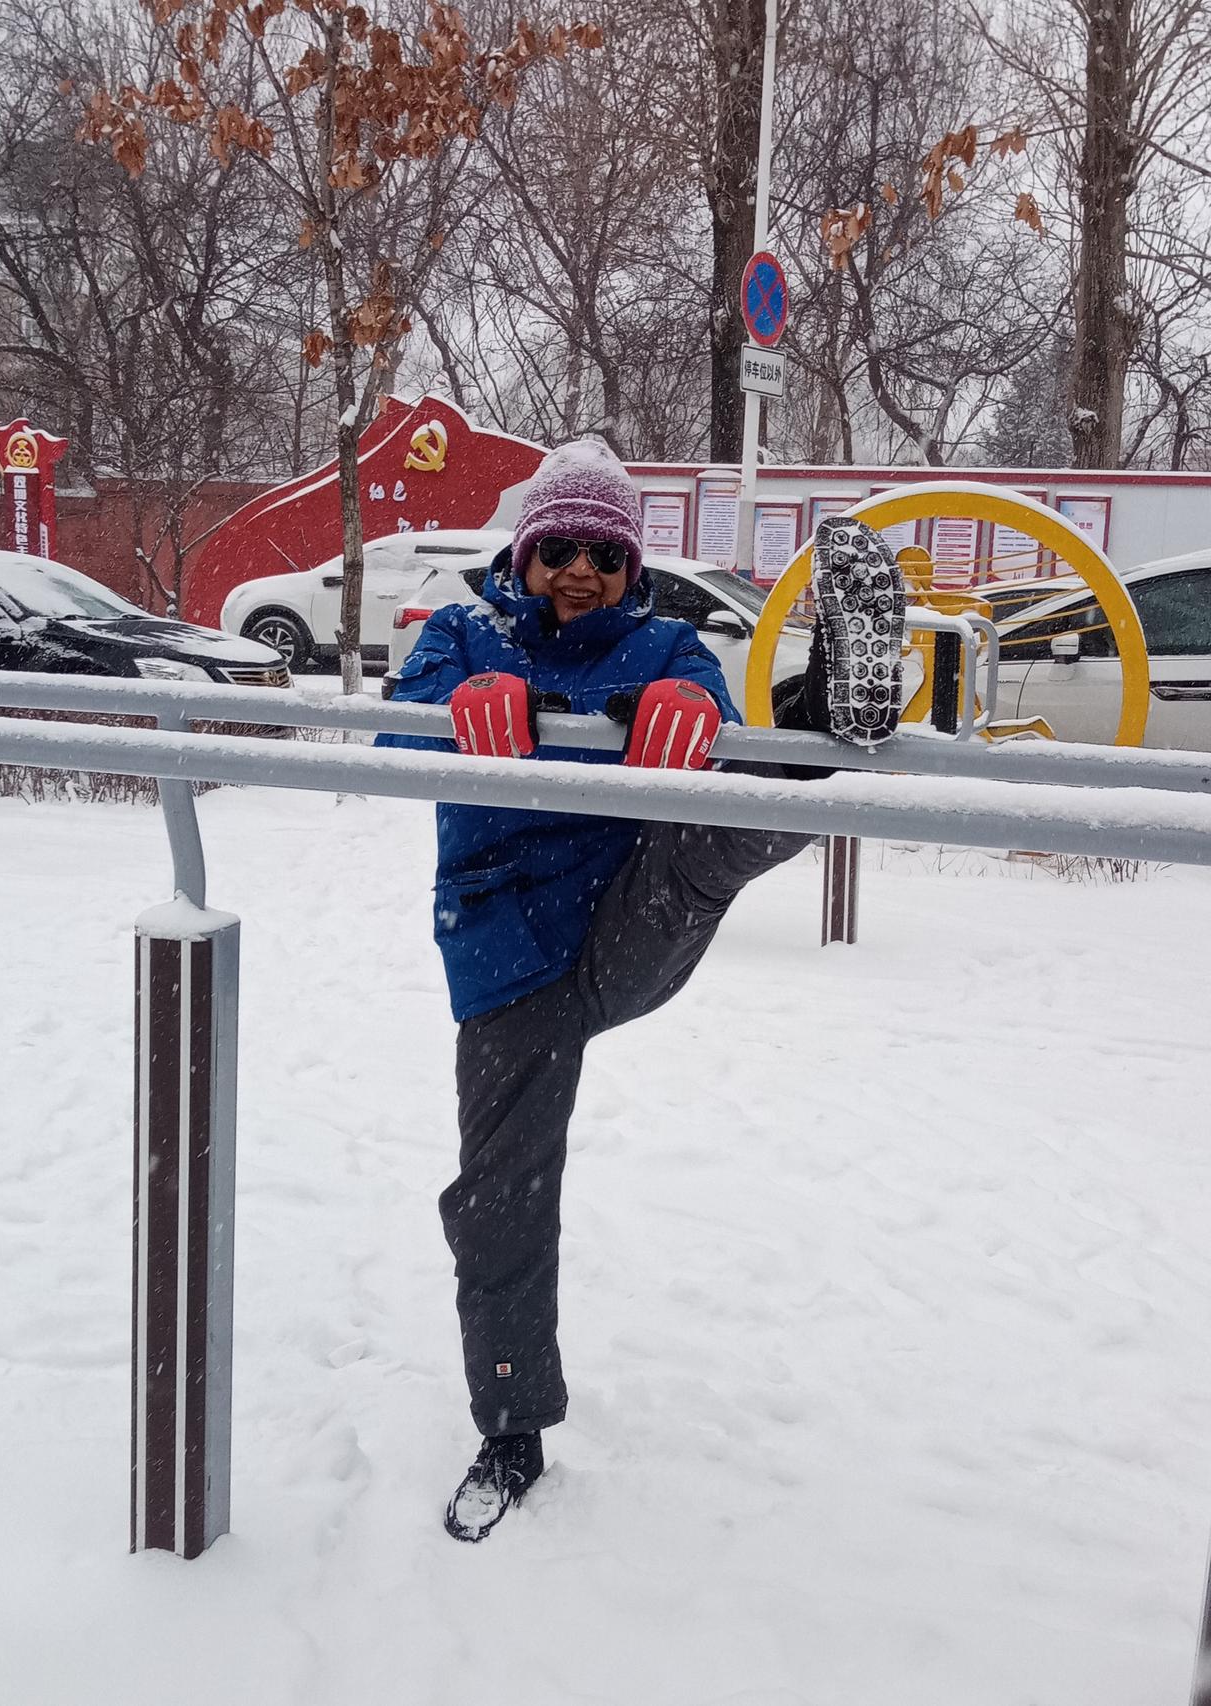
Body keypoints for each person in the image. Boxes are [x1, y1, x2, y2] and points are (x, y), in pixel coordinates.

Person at [379, 438, 906, 1542]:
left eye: (605, 555)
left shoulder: (667, 639)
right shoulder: (459, 631)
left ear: (633, 568)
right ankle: (512, 1426)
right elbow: (394, 723)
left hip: (626, 915)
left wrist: (687, 711)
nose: (580, 571)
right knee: (495, 1199)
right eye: (559, 549)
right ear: (523, 555)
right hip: (502, 958)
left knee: (715, 826)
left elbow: (707, 719)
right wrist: (468, 701)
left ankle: (828, 712)